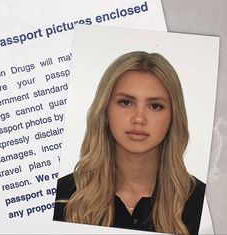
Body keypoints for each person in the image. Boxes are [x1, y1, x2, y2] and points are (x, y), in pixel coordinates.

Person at [53, 51, 205, 235]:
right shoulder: (60, 197)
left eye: (155, 106)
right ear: (105, 111)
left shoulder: (203, 202)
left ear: (173, 117)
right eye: (126, 102)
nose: (139, 118)